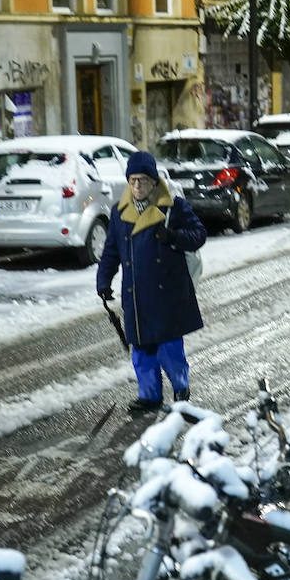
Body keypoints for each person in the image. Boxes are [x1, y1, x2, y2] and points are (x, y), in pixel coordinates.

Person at [96, 151, 207, 414]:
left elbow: (198, 235)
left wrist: (171, 236)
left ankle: (181, 387)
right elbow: (111, 250)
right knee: (142, 349)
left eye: (143, 180)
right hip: (135, 295)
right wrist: (103, 280)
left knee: (169, 348)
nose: (137, 186)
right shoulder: (119, 213)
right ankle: (149, 395)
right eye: (133, 180)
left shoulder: (174, 207)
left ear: (154, 181)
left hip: (166, 293)